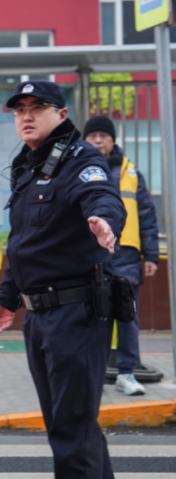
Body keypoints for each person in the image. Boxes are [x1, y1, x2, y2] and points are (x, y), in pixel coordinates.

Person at [0, 81, 125, 478]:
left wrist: (104, 221)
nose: (26, 116)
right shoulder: (30, 166)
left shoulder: (79, 158)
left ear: (61, 114)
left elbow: (102, 196)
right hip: (39, 315)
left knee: (72, 427)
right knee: (67, 425)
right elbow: (25, 242)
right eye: (20, 110)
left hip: (75, 312)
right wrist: (7, 297)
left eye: (37, 107)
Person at [83, 115, 159, 396]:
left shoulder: (131, 173)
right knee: (90, 316)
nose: (98, 140)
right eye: (92, 136)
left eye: (104, 135)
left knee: (127, 316)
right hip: (89, 254)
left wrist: (151, 255)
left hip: (126, 255)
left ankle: (126, 373)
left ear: (113, 140)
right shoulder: (77, 170)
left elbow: (147, 215)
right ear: (84, 140)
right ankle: (91, 375)